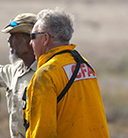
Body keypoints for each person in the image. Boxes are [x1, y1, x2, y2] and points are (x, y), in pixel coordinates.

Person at [24, 8, 110, 138]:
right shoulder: (85, 65)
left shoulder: (46, 74)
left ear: (45, 38)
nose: (30, 43)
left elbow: (43, 132)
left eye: (33, 37)